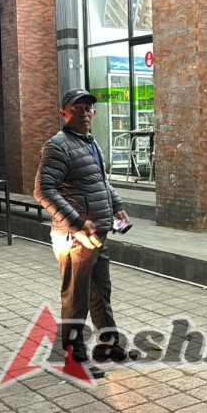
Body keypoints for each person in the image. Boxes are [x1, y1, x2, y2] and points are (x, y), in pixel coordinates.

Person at [34, 88, 137, 378]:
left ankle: (108, 346)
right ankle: (73, 358)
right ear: (64, 113)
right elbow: (43, 190)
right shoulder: (58, 145)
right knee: (75, 298)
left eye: (88, 108)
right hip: (74, 236)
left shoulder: (90, 142)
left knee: (100, 292)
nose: (84, 113)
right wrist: (78, 221)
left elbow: (100, 180)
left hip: (97, 233)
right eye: (77, 108)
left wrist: (116, 205)